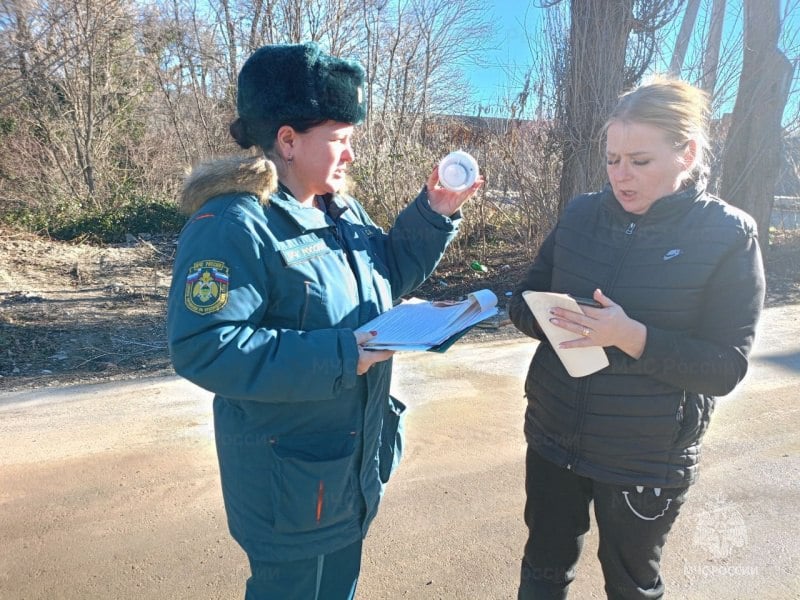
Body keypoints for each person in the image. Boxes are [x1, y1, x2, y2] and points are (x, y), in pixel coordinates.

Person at [165, 41, 481, 599]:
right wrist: (345, 355)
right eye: (339, 140)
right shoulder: (233, 224)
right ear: (287, 140)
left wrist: (433, 213)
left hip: (348, 468)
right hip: (288, 486)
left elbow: (385, 272)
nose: (350, 156)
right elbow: (205, 346)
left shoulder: (338, 208)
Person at [508, 76, 765, 600]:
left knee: (631, 586)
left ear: (685, 153)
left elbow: (724, 367)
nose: (621, 176)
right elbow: (522, 299)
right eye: (612, 159)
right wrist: (552, 321)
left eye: (640, 161)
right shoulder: (581, 215)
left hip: (645, 456)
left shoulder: (728, 235)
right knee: (542, 570)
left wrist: (632, 337)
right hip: (555, 435)